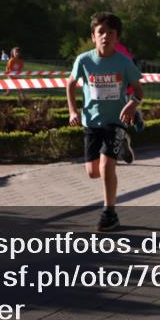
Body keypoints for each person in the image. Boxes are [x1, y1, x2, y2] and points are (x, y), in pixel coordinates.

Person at [66, 13, 144, 231]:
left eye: (111, 33)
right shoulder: (84, 60)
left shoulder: (124, 62)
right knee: (92, 172)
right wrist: (73, 111)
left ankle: (109, 213)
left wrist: (132, 105)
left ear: (117, 38)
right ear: (93, 36)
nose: (105, 36)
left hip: (116, 120)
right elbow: (71, 84)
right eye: (101, 32)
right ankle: (123, 146)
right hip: (91, 121)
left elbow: (139, 91)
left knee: (106, 164)